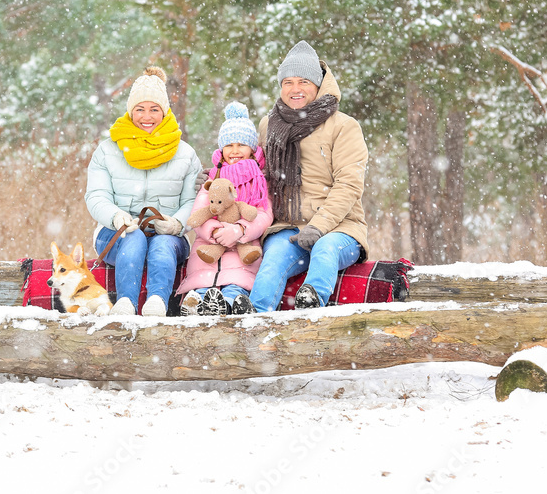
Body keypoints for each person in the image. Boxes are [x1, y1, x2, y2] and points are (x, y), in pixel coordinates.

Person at [230, 41, 369, 314]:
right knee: (274, 259)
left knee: (325, 249)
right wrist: (218, 178)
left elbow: (349, 184)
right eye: (288, 82)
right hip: (287, 227)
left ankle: (312, 306)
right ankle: (254, 318)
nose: (295, 89)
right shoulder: (269, 125)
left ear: (318, 86)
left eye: (304, 81)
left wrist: (317, 227)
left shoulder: (344, 126)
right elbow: (253, 174)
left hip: (339, 228)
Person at [85, 66, 203, 316]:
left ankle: (157, 302)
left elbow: (193, 200)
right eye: (140, 109)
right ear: (130, 111)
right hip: (115, 232)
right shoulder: (107, 151)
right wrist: (116, 216)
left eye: (154, 109)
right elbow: (96, 196)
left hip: (169, 234)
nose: (146, 116)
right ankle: (125, 302)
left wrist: (177, 224)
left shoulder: (185, 154)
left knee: (161, 245)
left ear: (164, 111)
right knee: (134, 238)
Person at [175, 102, 274, 316]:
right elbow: (199, 212)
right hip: (208, 249)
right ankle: (197, 301)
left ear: (252, 149)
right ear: (221, 150)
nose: (235, 151)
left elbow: (264, 214)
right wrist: (214, 232)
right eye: (229, 145)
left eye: (241, 145)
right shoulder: (213, 179)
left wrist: (239, 230)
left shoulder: (259, 180)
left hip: (243, 248)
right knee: (202, 283)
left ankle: (230, 301)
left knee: (236, 282)